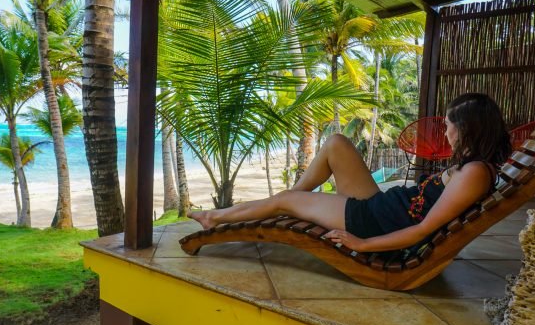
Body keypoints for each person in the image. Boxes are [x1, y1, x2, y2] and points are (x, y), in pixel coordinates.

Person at [189, 93, 512, 253]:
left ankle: (216, 218)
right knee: (336, 143)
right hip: (383, 208)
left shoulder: (474, 173)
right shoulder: (473, 168)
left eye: (448, 126)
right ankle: (292, 200)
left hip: (373, 222)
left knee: (287, 200)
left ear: (466, 128)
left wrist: (362, 245)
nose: (446, 132)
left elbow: (425, 229)